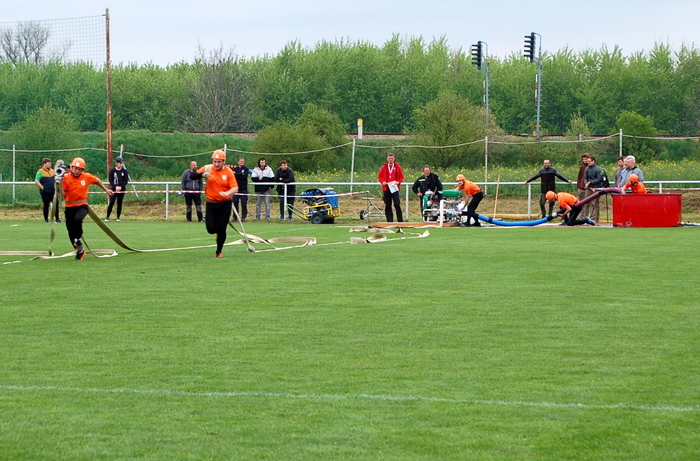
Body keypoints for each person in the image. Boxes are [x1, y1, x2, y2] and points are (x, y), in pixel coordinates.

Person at [58, 157, 113, 260]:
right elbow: (62, 195)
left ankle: (77, 238)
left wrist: (106, 189)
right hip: (69, 207)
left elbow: (96, 180)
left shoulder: (86, 177)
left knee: (78, 219)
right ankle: (80, 250)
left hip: (82, 205)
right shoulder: (65, 178)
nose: (77, 170)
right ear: (71, 168)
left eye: (79, 169)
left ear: (82, 170)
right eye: (75, 168)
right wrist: (59, 183)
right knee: (70, 230)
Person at [188, 150, 238, 258]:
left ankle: (219, 251)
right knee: (210, 228)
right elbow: (192, 176)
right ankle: (217, 232)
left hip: (225, 204)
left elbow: (235, 188)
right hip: (211, 203)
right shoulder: (208, 168)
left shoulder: (228, 172)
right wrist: (202, 174)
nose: (216, 164)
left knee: (222, 228)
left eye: (219, 162)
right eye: (215, 161)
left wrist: (227, 193)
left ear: (223, 161)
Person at [377, 152, 404, 222]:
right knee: (388, 204)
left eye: (392, 158)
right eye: (389, 158)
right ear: (387, 159)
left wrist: (398, 182)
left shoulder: (397, 167)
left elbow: (401, 177)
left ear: (394, 158)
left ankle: (400, 220)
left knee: (397, 204)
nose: (390, 160)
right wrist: (382, 182)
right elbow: (380, 177)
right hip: (386, 187)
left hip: (394, 187)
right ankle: (389, 220)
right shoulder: (384, 167)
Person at [34, 157, 60, 223]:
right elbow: (36, 181)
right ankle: (46, 219)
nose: (50, 165)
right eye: (48, 163)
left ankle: (57, 218)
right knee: (46, 205)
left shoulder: (52, 171)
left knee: (56, 204)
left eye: (50, 163)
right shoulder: (40, 172)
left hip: (53, 191)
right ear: (44, 164)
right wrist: (42, 188)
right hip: (45, 192)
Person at [105, 156, 129, 222]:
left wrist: (121, 187)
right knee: (111, 202)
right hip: (114, 189)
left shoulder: (124, 171)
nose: (120, 164)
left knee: (119, 203)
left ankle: (118, 217)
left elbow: (126, 180)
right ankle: (107, 217)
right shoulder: (112, 171)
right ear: (116, 163)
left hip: (122, 189)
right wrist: (115, 186)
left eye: (121, 163)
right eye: (119, 163)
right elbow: (110, 180)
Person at [583, 155, 604, 223]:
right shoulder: (586, 169)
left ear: (593, 161)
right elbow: (585, 178)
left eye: (589, 161)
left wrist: (591, 182)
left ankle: (595, 218)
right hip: (588, 188)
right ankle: (585, 217)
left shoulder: (598, 169)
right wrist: (586, 183)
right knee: (586, 202)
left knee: (595, 203)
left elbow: (599, 179)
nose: (588, 163)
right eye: (587, 161)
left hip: (596, 188)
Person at [232, 157, 250, 222]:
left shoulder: (246, 169)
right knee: (235, 202)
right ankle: (235, 217)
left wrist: (237, 174)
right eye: (241, 161)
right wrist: (240, 174)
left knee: (244, 203)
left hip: (243, 189)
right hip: (236, 189)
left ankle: (243, 217)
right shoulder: (235, 169)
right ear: (238, 162)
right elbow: (233, 176)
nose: (242, 162)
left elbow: (244, 176)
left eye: (243, 161)